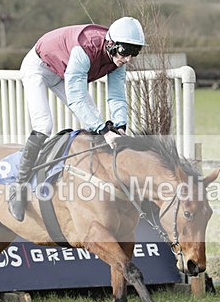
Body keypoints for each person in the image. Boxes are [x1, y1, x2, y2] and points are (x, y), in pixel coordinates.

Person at [8, 16, 147, 221]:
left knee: (96, 120)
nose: (128, 58)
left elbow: (116, 95)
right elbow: (76, 97)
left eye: (134, 53)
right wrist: (104, 130)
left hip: (63, 71)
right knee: (44, 124)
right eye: (125, 52)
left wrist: (120, 126)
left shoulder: (118, 57)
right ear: (110, 44)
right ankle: (18, 189)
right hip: (39, 67)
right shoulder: (85, 50)